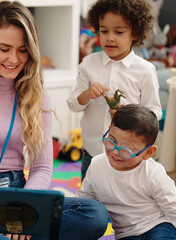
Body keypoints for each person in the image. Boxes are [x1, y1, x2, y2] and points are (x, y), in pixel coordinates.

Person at [0, 1, 108, 240]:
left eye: (23, 49)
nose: (14, 58)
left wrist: (26, 212)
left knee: (95, 214)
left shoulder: (37, 95)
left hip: (21, 193)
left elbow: (42, 168)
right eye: (4, 49)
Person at [77, 104, 176, 240]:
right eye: (112, 141)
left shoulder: (153, 173)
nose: (115, 151)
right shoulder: (96, 165)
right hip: (127, 234)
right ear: (109, 131)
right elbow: (84, 203)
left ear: (148, 153)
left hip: (159, 225)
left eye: (126, 150)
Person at [67, 0, 162, 180]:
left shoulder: (145, 70)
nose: (110, 37)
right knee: (89, 203)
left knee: (124, 203)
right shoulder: (89, 64)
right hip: (92, 153)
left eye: (119, 32)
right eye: (104, 31)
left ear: (134, 33)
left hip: (127, 156)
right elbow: (73, 104)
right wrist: (87, 95)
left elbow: (155, 113)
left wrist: (130, 114)